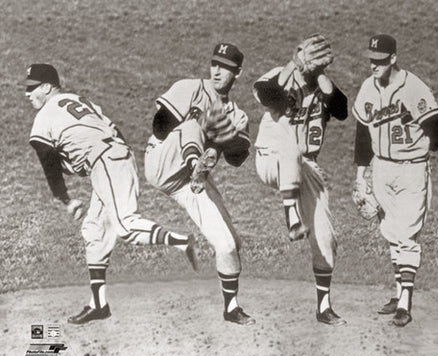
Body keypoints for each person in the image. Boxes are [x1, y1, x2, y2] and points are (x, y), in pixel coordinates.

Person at [24, 63, 199, 325]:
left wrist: (65, 198)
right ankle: (99, 304)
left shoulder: (45, 114)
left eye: (32, 88)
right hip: (116, 157)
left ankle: (181, 241)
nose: (27, 94)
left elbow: (47, 157)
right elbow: (115, 131)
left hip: (106, 162)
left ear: (47, 87)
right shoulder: (79, 100)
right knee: (94, 231)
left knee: (125, 225)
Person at [144, 43, 254, 325]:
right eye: (214, 64)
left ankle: (231, 309)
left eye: (226, 67)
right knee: (193, 124)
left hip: (187, 183)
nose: (217, 70)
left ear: (238, 72)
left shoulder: (238, 115)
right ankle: (197, 165)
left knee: (230, 244)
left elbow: (237, 159)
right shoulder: (190, 88)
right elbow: (159, 126)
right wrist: (206, 127)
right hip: (162, 160)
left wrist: (222, 140)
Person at [253, 34, 348, 326]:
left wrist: (319, 74)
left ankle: (324, 307)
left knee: (326, 237)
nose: (310, 62)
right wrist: (294, 64)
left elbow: (342, 109)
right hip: (272, 157)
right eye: (308, 57)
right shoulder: (278, 77)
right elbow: (267, 92)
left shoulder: (322, 86)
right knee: (290, 147)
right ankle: (290, 213)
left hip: (306, 167)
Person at [352, 34, 438, 327]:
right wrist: (360, 177)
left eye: (379, 60)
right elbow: (362, 135)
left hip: (411, 170)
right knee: (391, 232)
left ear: (393, 58)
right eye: (371, 59)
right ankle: (398, 293)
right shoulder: (368, 87)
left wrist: (419, 155)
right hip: (381, 168)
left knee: (406, 235)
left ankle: (405, 303)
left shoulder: (414, 88)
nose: (373, 65)